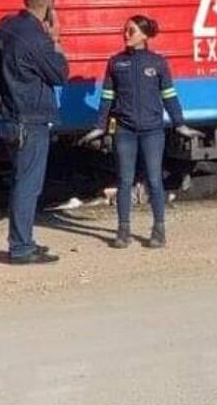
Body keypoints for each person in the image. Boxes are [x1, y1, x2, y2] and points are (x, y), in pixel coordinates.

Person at [83, 14, 199, 248]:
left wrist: (180, 124)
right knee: (124, 181)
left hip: (152, 132)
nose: (126, 34)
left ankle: (158, 230)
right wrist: (100, 127)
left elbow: (169, 95)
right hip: (124, 131)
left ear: (145, 36)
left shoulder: (157, 63)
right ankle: (123, 231)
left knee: (155, 181)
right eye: (125, 30)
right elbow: (107, 97)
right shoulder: (115, 62)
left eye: (132, 30)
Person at [0, 0, 69, 264]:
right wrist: (55, 38)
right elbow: (60, 74)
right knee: (28, 185)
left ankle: (24, 241)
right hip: (30, 119)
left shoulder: (6, 26)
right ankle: (21, 247)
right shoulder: (36, 38)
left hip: (10, 116)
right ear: (49, 5)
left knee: (20, 181)